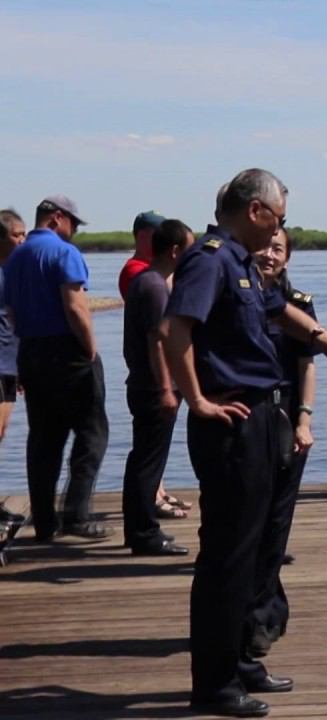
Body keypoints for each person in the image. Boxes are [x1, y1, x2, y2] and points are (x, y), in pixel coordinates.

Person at [161, 168, 327, 718]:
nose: (279, 228)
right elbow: (174, 330)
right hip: (232, 421)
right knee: (228, 556)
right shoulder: (210, 259)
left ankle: (242, 659)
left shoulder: (242, 263)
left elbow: (276, 309)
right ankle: (215, 683)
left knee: (258, 553)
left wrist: (321, 336)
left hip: (267, 416)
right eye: (279, 217)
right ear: (256, 211)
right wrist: (198, 400)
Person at [1, 195, 111, 541]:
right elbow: (75, 307)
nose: (74, 231)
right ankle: (76, 514)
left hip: (31, 351)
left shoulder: (15, 258)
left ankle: (45, 522)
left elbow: (11, 313)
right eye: (73, 224)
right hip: (68, 351)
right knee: (93, 433)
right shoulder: (64, 253)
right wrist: (90, 349)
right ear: (57, 218)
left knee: (44, 439)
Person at [244, 226, 319, 658]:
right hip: (246, 413)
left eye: (278, 249)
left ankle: (262, 616)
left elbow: (307, 366)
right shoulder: (236, 296)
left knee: (276, 521)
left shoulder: (298, 304)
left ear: (287, 258)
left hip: (286, 414)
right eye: (263, 246)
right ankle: (265, 608)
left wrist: (304, 420)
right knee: (248, 520)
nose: (269, 255)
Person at [120, 219, 194, 556]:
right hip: (152, 387)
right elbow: (157, 341)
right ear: (175, 250)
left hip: (145, 383)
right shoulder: (152, 287)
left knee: (145, 458)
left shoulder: (148, 281)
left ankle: (139, 529)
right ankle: (144, 533)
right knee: (147, 461)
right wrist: (166, 388)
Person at [0, 208, 26, 446]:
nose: (22, 240)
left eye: (24, 234)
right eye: (16, 235)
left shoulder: (15, 272)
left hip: (10, 363)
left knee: (2, 430)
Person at [118, 211, 165, 299]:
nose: (165, 239)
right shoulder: (133, 269)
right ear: (142, 236)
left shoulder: (154, 266)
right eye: (160, 234)